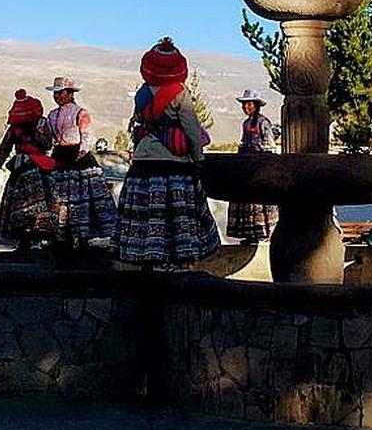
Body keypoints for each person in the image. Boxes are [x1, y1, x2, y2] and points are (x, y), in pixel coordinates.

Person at [114, 38, 220, 268]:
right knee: (174, 217)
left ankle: (145, 263)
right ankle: (177, 263)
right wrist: (198, 158)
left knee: (145, 215)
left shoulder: (142, 92)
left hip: (143, 161)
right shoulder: (180, 92)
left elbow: (138, 124)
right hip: (174, 162)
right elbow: (191, 127)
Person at [44, 76, 116, 247]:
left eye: (62, 93)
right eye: (56, 94)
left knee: (83, 198)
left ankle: (83, 235)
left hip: (78, 158)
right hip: (60, 155)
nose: (58, 97)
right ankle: (61, 233)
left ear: (70, 94)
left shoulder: (80, 113)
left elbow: (87, 136)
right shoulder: (52, 115)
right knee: (61, 198)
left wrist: (80, 155)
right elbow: (49, 138)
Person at [0, 89, 57, 248]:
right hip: (29, 169)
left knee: (28, 204)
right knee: (28, 205)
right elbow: (4, 150)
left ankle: (36, 237)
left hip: (33, 168)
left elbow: (47, 144)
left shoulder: (37, 126)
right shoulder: (17, 128)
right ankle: (28, 239)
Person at [225, 89, 278, 244]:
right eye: (244, 104)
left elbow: (270, 146)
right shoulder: (246, 124)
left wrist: (256, 150)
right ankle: (249, 233)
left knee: (260, 203)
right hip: (247, 168)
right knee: (245, 203)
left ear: (255, 105)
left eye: (249, 104)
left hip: (260, 168)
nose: (246, 107)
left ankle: (263, 233)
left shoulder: (263, 122)